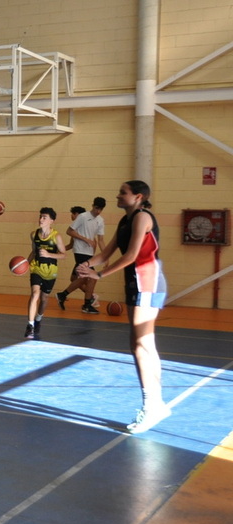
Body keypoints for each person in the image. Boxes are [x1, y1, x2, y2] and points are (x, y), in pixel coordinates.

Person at [77, 180, 168, 433]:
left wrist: (100, 275)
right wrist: (88, 266)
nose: (117, 195)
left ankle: (152, 407)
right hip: (136, 282)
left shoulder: (142, 218)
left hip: (147, 279)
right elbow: (105, 254)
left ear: (138, 197)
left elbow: (132, 256)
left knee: (141, 345)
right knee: (141, 344)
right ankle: (157, 402)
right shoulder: (124, 221)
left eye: (123, 192)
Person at [56, 197, 106, 314]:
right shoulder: (83, 217)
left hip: (89, 253)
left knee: (79, 278)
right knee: (91, 277)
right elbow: (69, 231)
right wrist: (86, 239)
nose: (98, 211)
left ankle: (63, 295)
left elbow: (101, 240)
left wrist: (105, 256)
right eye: (97, 208)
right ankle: (87, 304)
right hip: (80, 251)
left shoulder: (100, 220)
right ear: (93, 206)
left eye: (101, 209)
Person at [24, 207, 66, 340]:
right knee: (35, 294)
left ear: (51, 221)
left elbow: (63, 255)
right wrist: (25, 264)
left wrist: (49, 254)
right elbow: (33, 252)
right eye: (40, 217)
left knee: (44, 299)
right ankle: (30, 326)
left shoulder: (56, 236)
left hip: (50, 271)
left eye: (44, 217)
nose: (41, 219)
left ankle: (38, 318)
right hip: (36, 268)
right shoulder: (33, 234)